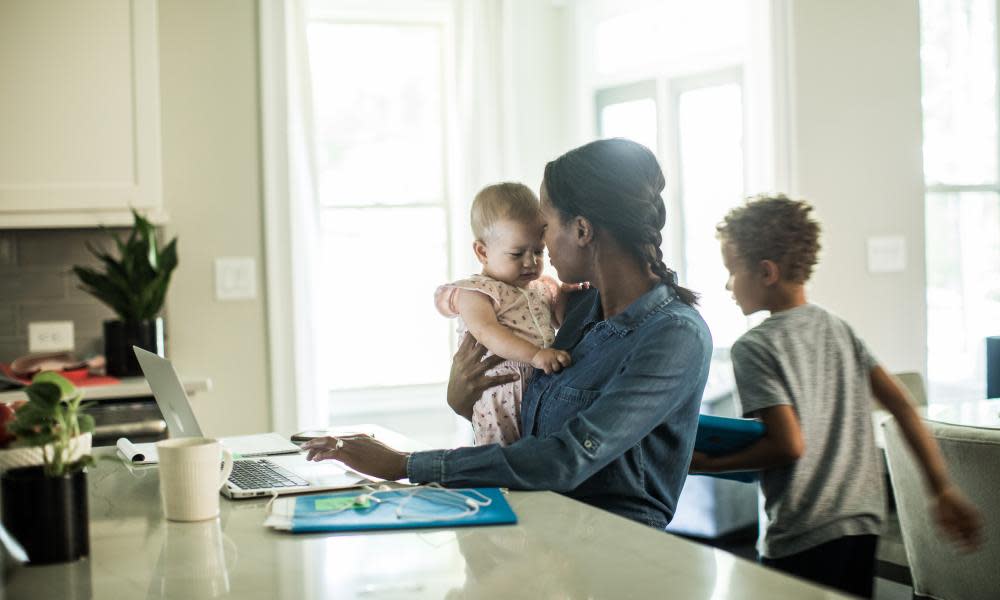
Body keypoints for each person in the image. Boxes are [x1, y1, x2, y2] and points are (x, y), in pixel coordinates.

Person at [304, 138, 713, 529]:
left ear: (582, 230)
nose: (542, 245)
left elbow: (566, 457)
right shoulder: (578, 310)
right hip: (534, 522)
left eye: (546, 226)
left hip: (611, 549)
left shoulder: (674, 336)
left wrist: (405, 464)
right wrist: (463, 399)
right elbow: (534, 426)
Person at [691, 195, 983, 598]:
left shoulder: (755, 347)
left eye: (731, 271)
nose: (727, 284)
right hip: (862, 522)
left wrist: (708, 463)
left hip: (803, 531)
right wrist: (941, 488)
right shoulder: (837, 327)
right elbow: (902, 405)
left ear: (765, 272)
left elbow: (788, 445)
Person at [434, 182, 577, 447]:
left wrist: (566, 295)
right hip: (500, 391)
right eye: (517, 253)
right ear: (483, 252)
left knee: (537, 456)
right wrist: (534, 355)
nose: (530, 262)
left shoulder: (540, 287)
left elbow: (560, 322)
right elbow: (487, 331)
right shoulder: (477, 292)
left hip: (541, 384)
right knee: (499, 458)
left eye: (538, 251)